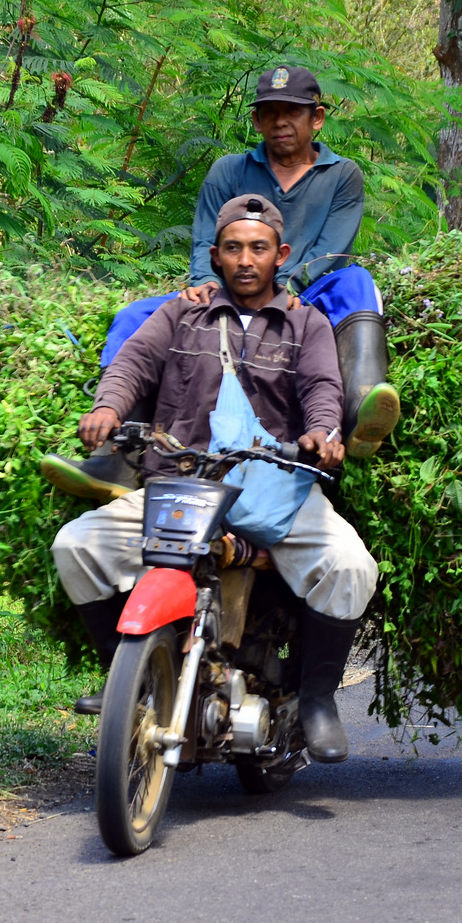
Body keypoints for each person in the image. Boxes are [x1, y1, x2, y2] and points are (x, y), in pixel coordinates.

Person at [50, 194, 379, 763]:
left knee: (350, 567)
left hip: (278, 488)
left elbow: (323, 389)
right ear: (215, 256)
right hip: (184, 481)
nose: (246, 260)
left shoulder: (308, 323)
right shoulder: (182, 313)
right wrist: (108, 407)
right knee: (76, 545)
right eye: (233, 248)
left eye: (258, 248)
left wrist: (324, 431)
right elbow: (133, 364)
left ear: (282, 254)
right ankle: (125, 676)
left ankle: (320, 701)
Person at [41, 65, 399, 503]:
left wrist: (282, 294)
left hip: (306, 293)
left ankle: (361, 410)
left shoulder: (342, 175)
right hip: (228, 290)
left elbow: (332, 249)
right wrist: (205, 282)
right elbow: (205, 241)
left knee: (358, 282)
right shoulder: (229, 170)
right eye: (270, 113)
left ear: (317, 118)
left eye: (293, 112)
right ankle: (116, 447)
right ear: (256, 121)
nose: (280, 122)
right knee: (134, 315)